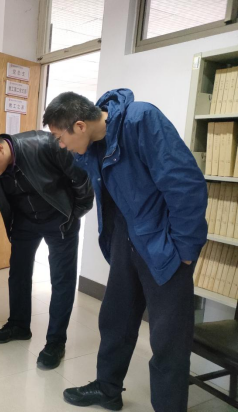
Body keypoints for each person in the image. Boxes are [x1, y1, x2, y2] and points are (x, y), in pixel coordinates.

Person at [43, 89, 207, 411]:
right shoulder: (92, 143)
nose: (61, 146)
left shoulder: (141, 120)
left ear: (79, 126)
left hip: (164, 245)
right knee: (115, 319)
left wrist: (186, 248)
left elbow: (185, 184)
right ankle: (108, 389)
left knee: (169, 339)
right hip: (125, 239)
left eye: (61, 138)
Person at [0, 129, 94, 369]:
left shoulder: (44, 144)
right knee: (18, 274)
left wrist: (74, 214)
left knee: (61, 279)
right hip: (24, 220)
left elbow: (81, 178)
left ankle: (55, 342)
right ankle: (19, 325)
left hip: (59, 218)